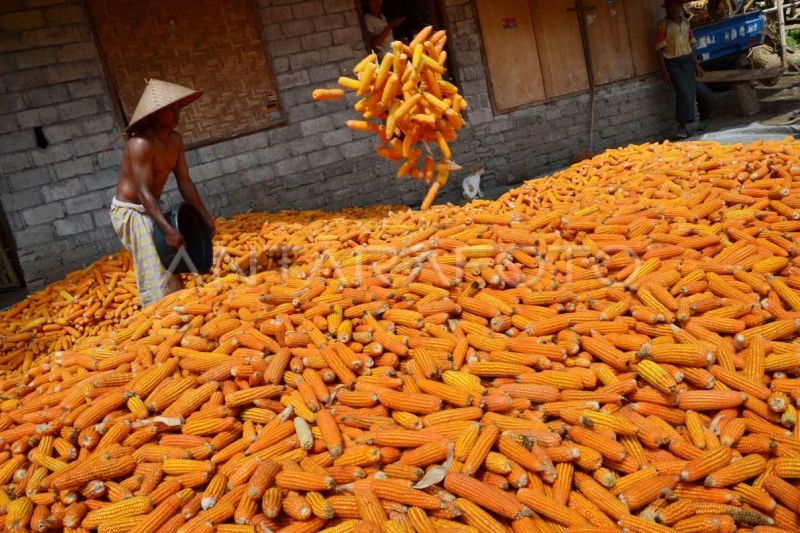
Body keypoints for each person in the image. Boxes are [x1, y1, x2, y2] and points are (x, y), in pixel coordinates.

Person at [109, 79, 214, 307]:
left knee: (170, 262)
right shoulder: (140, 144)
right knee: (155, 269)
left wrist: (205, 216)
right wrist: (167, 229)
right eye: (170, 110)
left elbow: (185, 182)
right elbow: (143, 191)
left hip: (151, 205)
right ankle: (158, 314)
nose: (177, 114)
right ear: (155, 114)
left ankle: (178, 307)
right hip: (131, 211)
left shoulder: (175, 141)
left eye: (178, 108)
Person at [656, 0, 714, 139]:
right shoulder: (663, 25)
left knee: (691, 92)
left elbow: (691, 45)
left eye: (676, 5)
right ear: (666, 8)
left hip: (687, 61)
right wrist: (664, 70)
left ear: (681, 7)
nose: (673, 9)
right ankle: (681, 126)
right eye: (670, 6)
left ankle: (688, 126)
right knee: (683, 92)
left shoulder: (686, 23)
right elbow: (659, 50)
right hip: (673, 63)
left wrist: (696, 65)